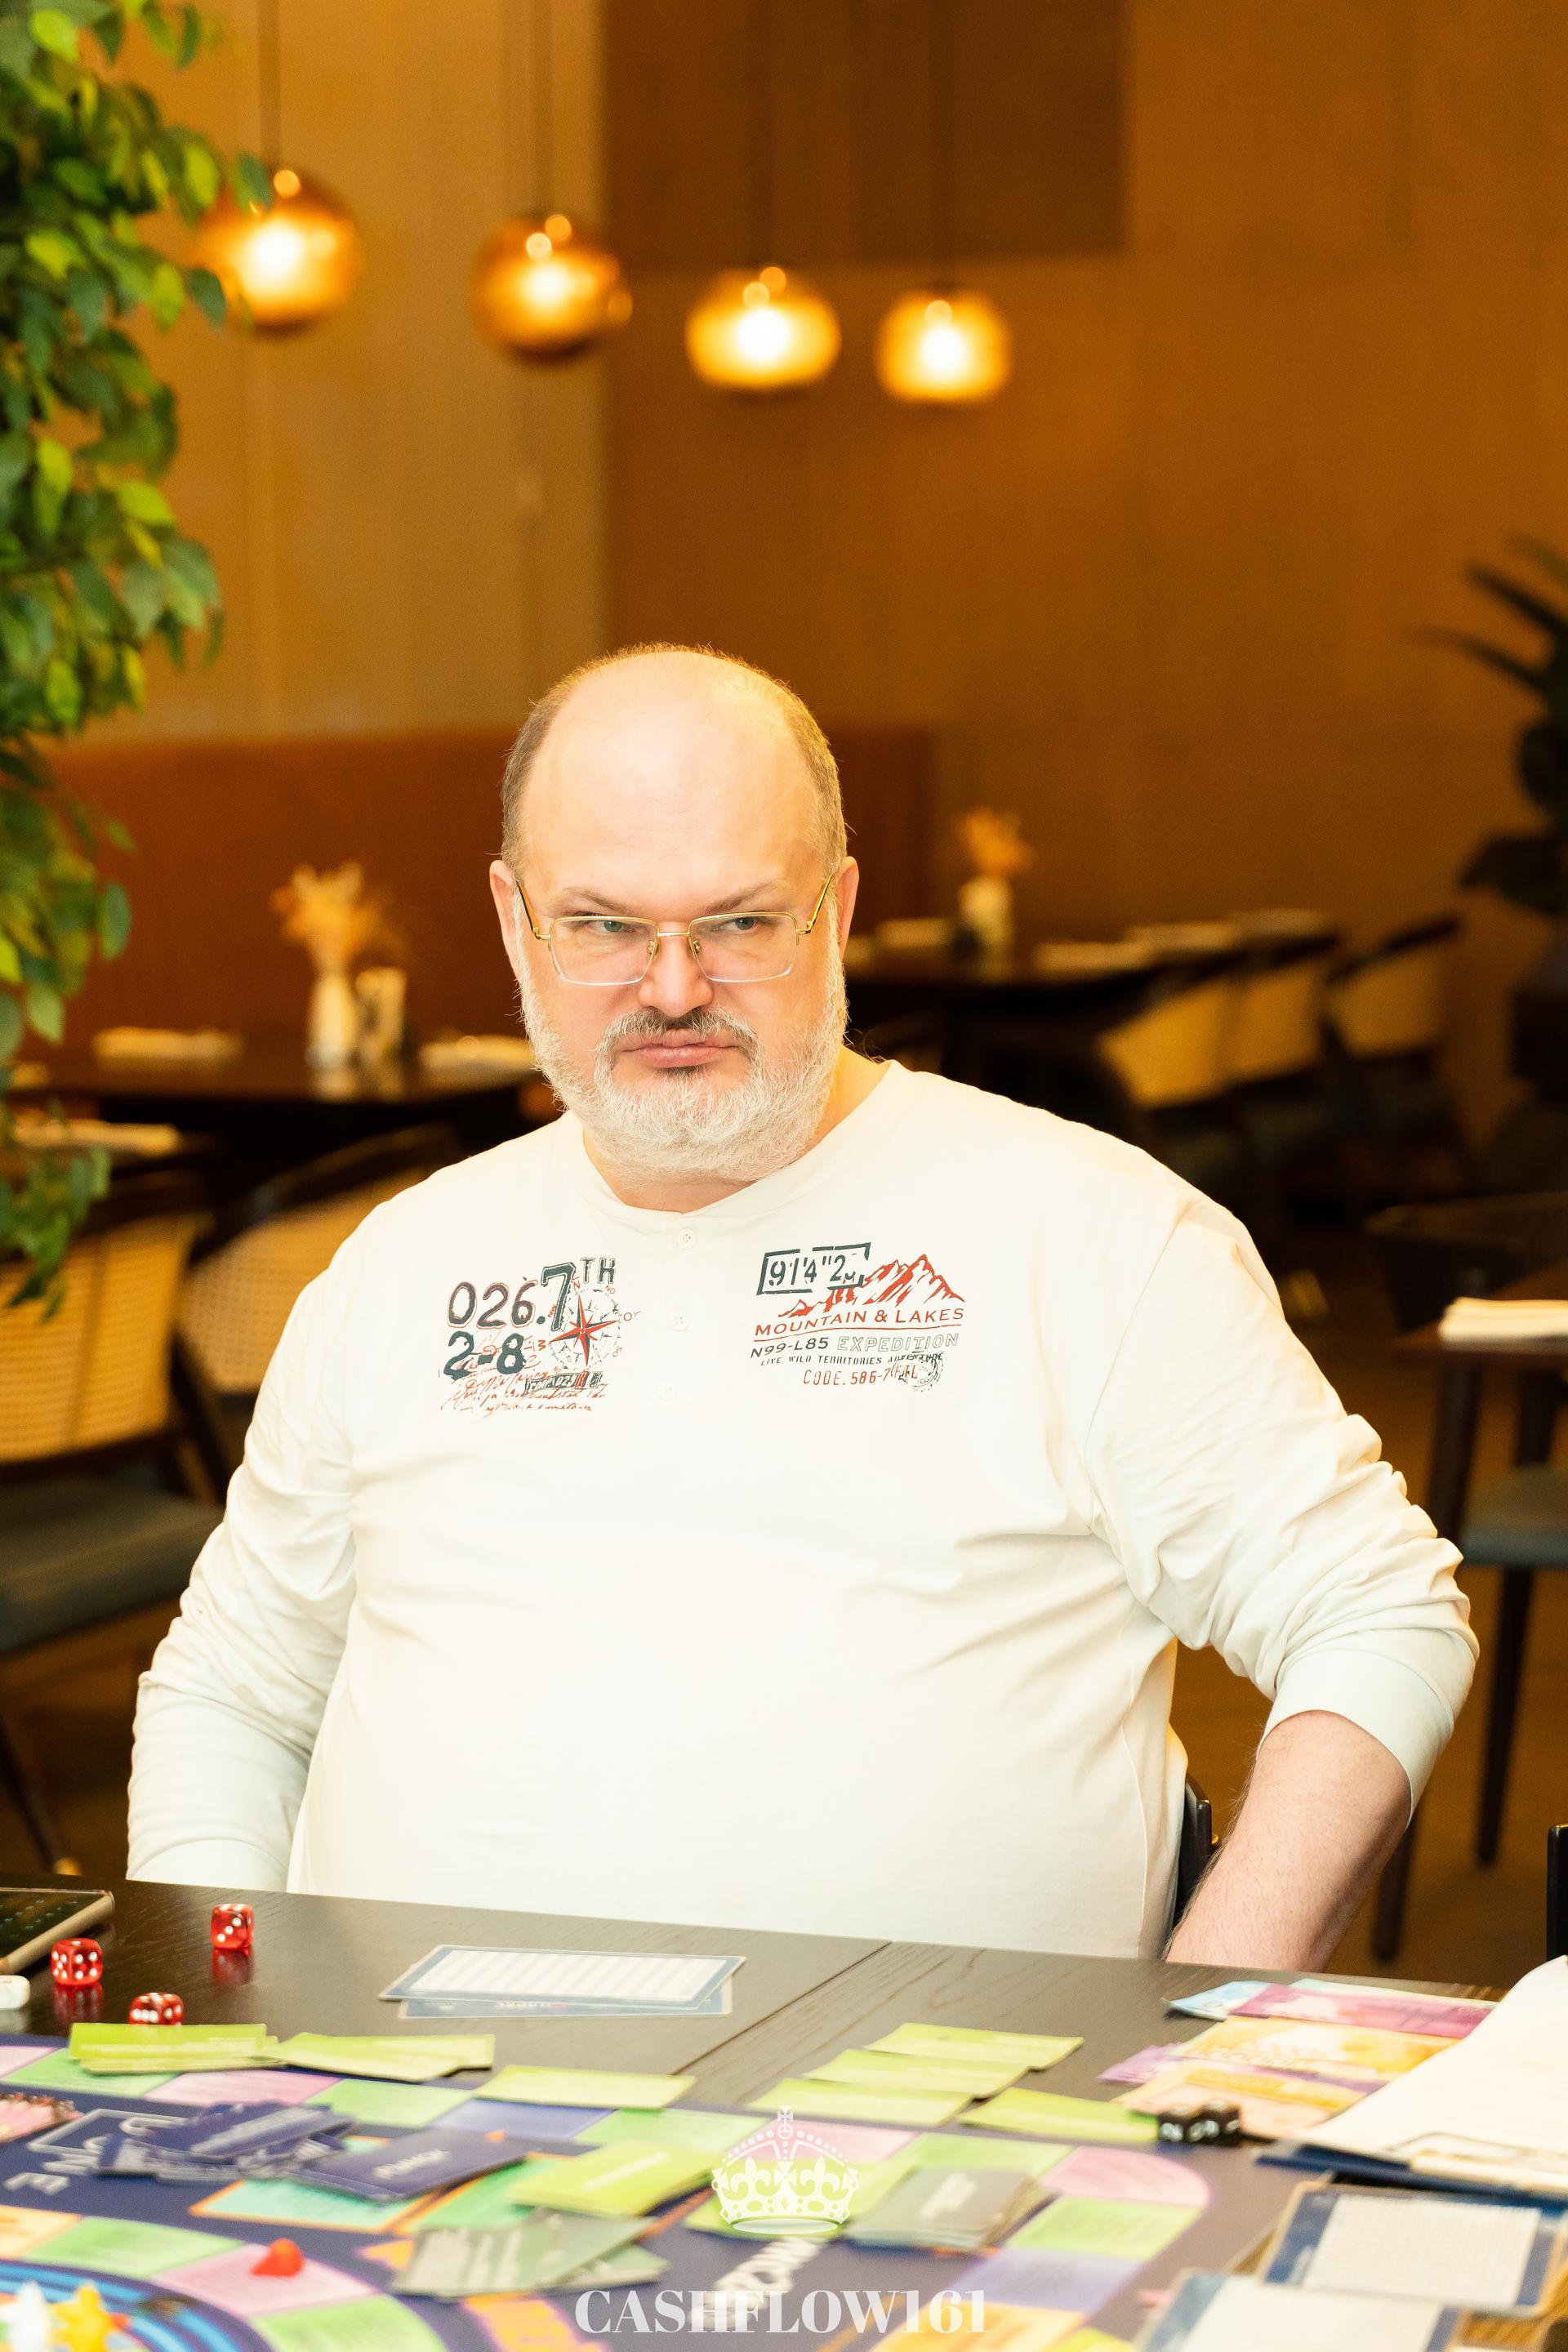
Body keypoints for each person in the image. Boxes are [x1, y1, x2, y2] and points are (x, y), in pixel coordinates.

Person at [128, 644, 1475, 1965]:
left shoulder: (1087, 1232)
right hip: (404, 2090)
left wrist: (1199, 2018)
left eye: (738, 923)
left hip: (939, 2095)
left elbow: (1373, 1613)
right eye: (602, 926)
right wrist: (215, 2022)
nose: (671, 990)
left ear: (835, 909)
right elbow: (234, 1693)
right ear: (512, 920)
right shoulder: (399, 1268)